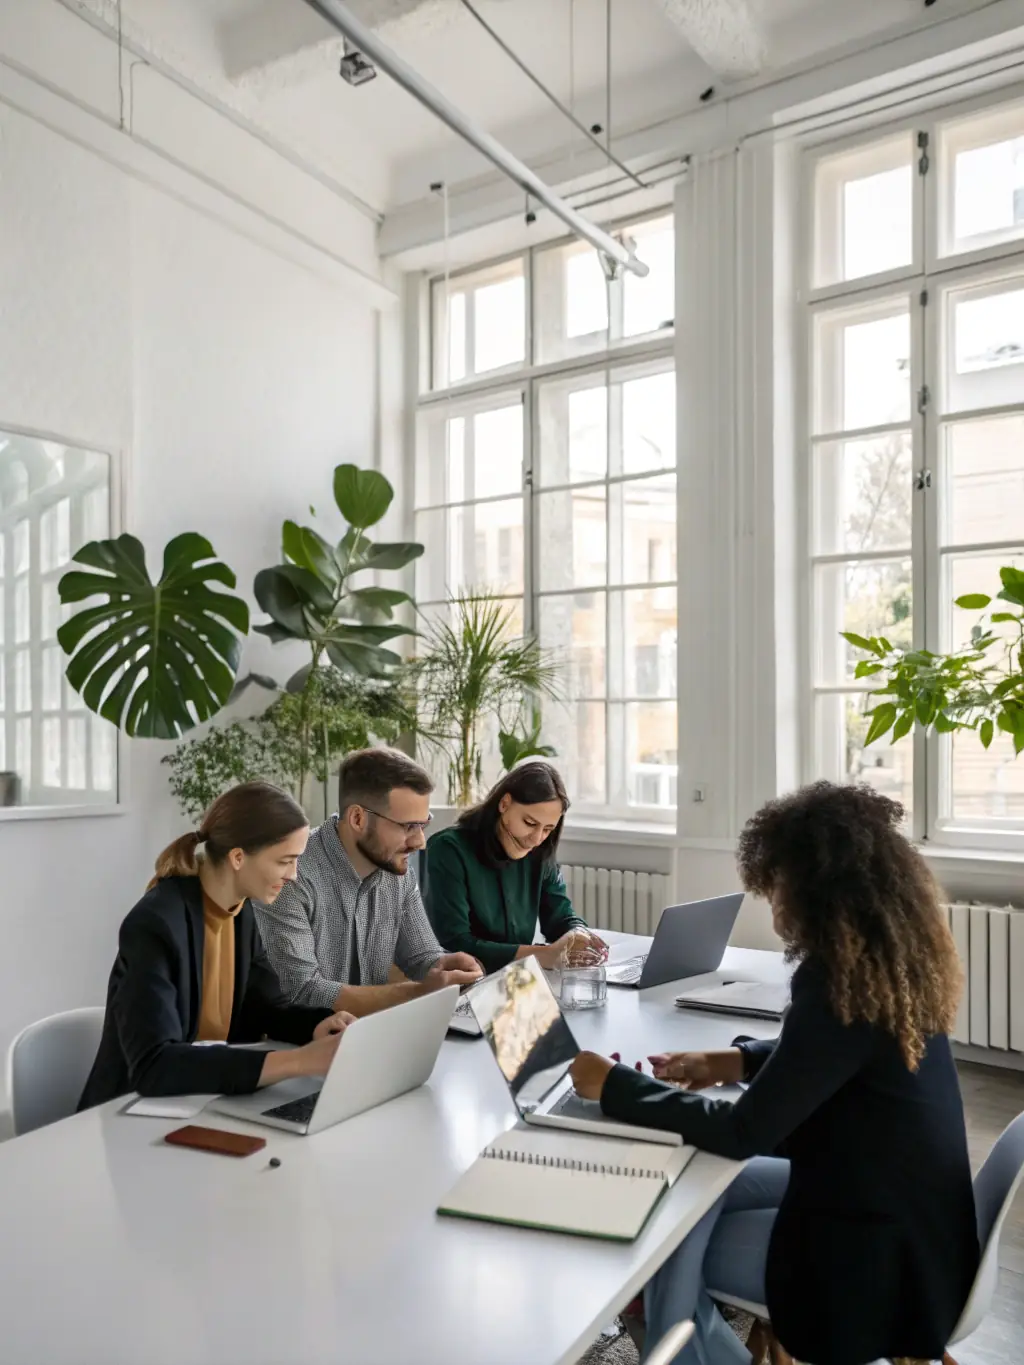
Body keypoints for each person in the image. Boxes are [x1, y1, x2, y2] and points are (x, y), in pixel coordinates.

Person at [569, 781, 979, 1365]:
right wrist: (736, 1060)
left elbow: (744, 1133)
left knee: (667, 1237)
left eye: (778, 885)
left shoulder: (839, 984)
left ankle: (680, 1352)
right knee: (691, 1193)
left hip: (867, 1260)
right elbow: (834, 1057)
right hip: (913, 1225)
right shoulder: (889, 963)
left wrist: (614, 1086)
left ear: (816, 889)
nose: (773, 901)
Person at [79, 782, 355, 1109]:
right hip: (126, 1114)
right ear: (238, 857)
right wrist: (298, 1062)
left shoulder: (241, 911)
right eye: (285, 861)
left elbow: (269, 1007)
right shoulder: (155, 924)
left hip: (201, 1104)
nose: (294, 875)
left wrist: (319, 1026)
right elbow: (154, 1064)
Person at [254, 748, 481, 1016]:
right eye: (408, 827)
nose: (420, 842)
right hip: (301, 1043)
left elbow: (420, 956)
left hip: (369, 1035)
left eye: (424, 824)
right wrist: (418, 992)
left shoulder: (396, 870)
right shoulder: (292, 875)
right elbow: (301, 991)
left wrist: (446, 966)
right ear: (358, 819)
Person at [424, 762, 607, 975]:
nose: (536, 839)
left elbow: (560, 918)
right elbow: (455, 943)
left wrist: (579, 935)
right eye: (529, 823)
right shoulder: (448, 849)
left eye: (548, 829)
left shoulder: (541, 851)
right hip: (463, 984)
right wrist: (543, 956)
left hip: (517, 982)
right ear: (504, 804)